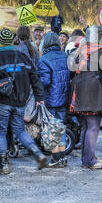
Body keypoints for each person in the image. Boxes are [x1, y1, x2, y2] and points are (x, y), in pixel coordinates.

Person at [0, 29, 46, 174]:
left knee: (0, 131)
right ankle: (38, 154)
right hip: (20, 102)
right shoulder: (23, 57)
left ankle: (2, 165)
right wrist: (39, 97)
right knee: (19, 130)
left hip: (1, 102)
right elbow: (35, 77)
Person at [69, 26, 102, 169]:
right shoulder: (101, 52)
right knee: (93, 127)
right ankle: (91, 160)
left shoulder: (78, 52)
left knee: (85, 127)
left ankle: (87, 159)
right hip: (94, 93)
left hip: (79, 93)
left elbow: (71, 73)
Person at [38, 32, 70, 167]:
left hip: (50, 99)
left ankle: (56, 158)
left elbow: (44, 81)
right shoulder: (65, 56)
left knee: (52, 129)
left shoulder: (44, 59)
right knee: (61, 127)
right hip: (64, 97)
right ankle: (62, 157)